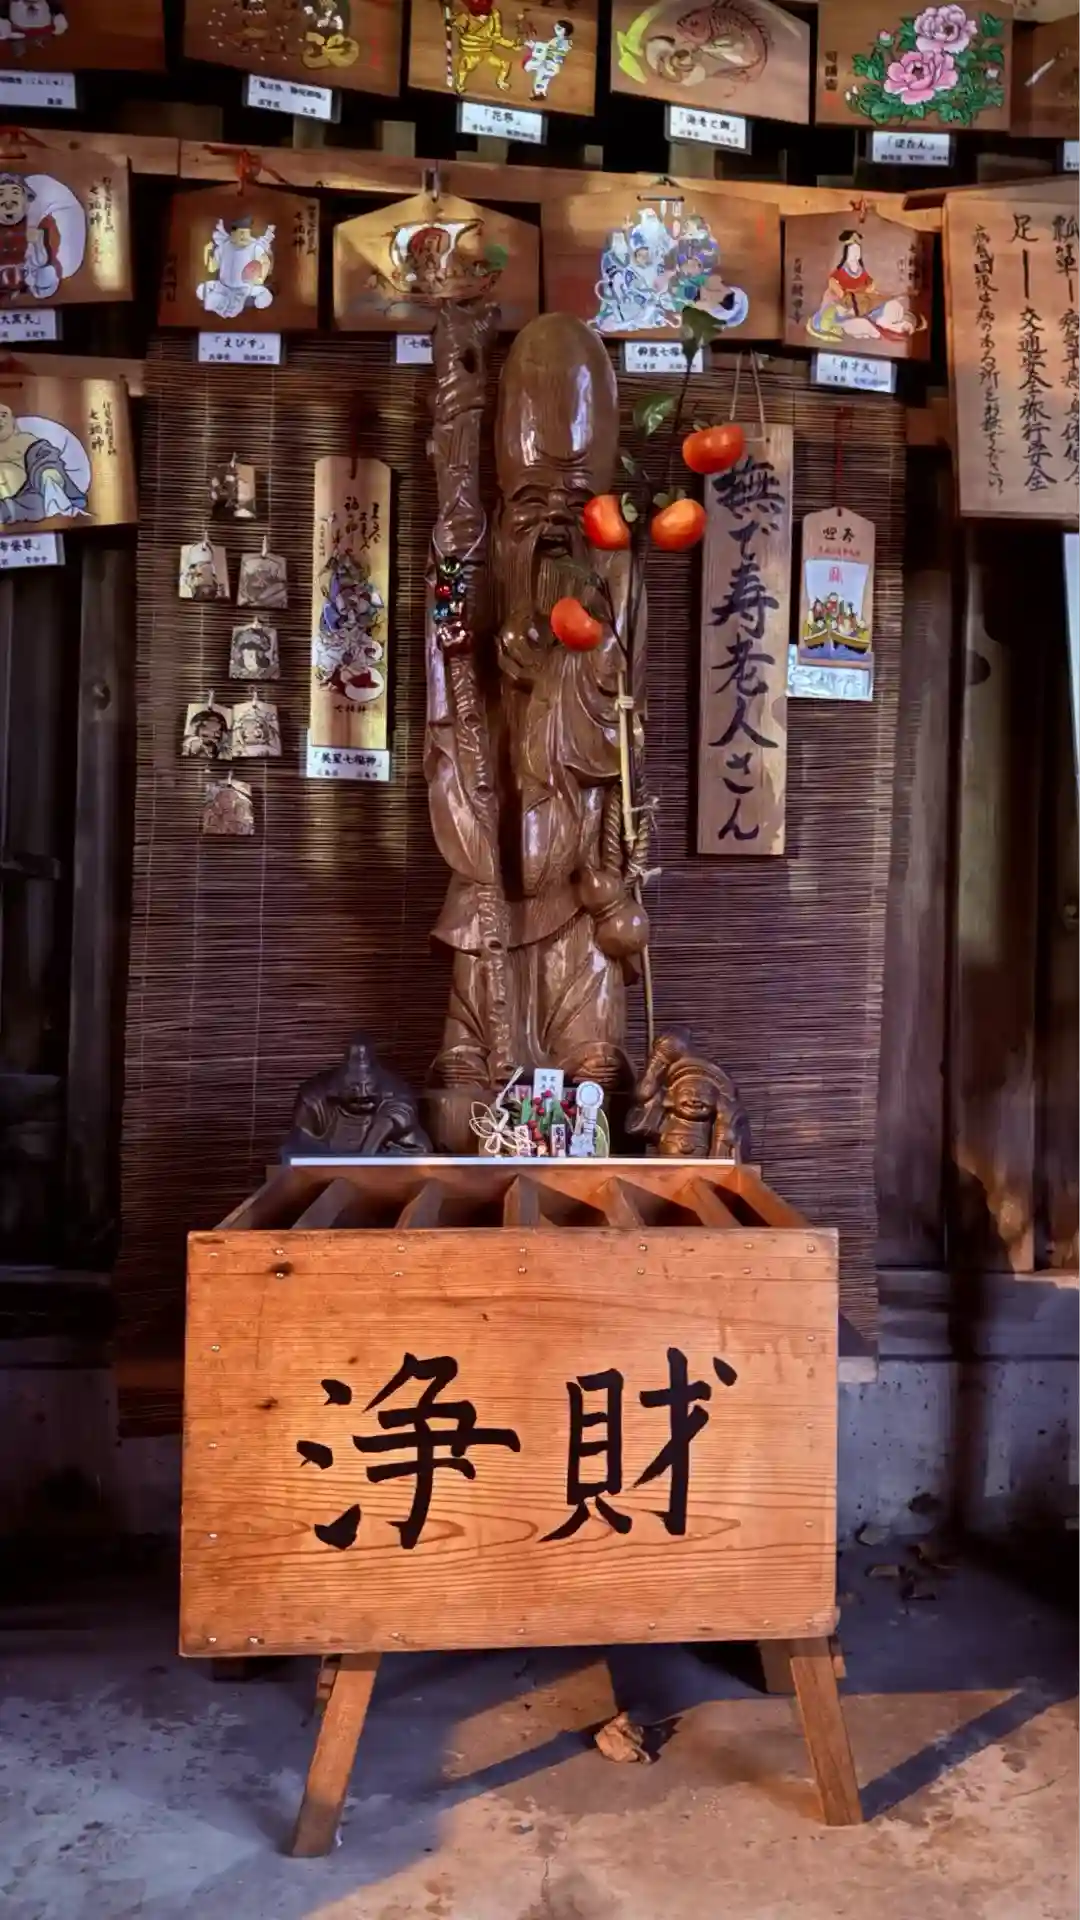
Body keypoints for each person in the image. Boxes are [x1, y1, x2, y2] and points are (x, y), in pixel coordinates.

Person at [285, 1034, 432, 1158]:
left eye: (368, 1086)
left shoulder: (393, 1087)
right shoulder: (316, 1093)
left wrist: (376, 1136)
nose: (362, 1093)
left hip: (382, 1155)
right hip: (326, 1156)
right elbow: (300, 1140)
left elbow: (403, 1108)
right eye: (353, 1087)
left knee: (418, 1146)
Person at [808, 229, 920, 345]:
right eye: (852, 251)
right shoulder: (839, 273)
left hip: (864, 303)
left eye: (858, 250)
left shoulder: (861, 271)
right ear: (846, 253)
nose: (855, 254)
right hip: (848, 304)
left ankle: (895, 324)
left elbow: (869, 285)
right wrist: (848, 297)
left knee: (887, 307)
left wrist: (869, 291)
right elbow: (836, 288)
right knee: (857, 320)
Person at [0, 403, 88, 525]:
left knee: (38, 501)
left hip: (29, 492)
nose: (0, 420)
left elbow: (45, 457)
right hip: (7, 498)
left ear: (13, 421)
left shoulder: (26, 440)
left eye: (4, 415)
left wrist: (45, 471)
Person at [197, 214, 276, 321]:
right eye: (240, 233)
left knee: (264, 298)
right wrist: (206, 251)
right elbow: (212, 267)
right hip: (223, 287)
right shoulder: (224, 247)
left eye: (246, 234)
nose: (243, 237)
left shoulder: (254, 247)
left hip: (244, 289)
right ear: (232, 234)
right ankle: (220, 301)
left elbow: (265, 261)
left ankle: (234, 303)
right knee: (201, 290)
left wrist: (260, 278)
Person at [0, 173, 61, 302]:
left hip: (29, 284)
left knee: (46, 275)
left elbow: (42, 264)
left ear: (27, 203)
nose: (8, 202)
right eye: (1, 195)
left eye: (15, 193)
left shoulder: (37, 226)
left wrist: (38, 245)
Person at [523, 17, 573, 99]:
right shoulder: (559, 40)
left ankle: (538, 93)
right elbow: (547, 47)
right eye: (556, 27)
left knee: (541, 77)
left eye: (559, 28)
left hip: (550, 64)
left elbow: (549, 49)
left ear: (565, 31)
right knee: (542, 78)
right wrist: (535, 45)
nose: (555, 29)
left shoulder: (563, 42)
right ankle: (539, 92)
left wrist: (534, 45)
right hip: (550, 63)